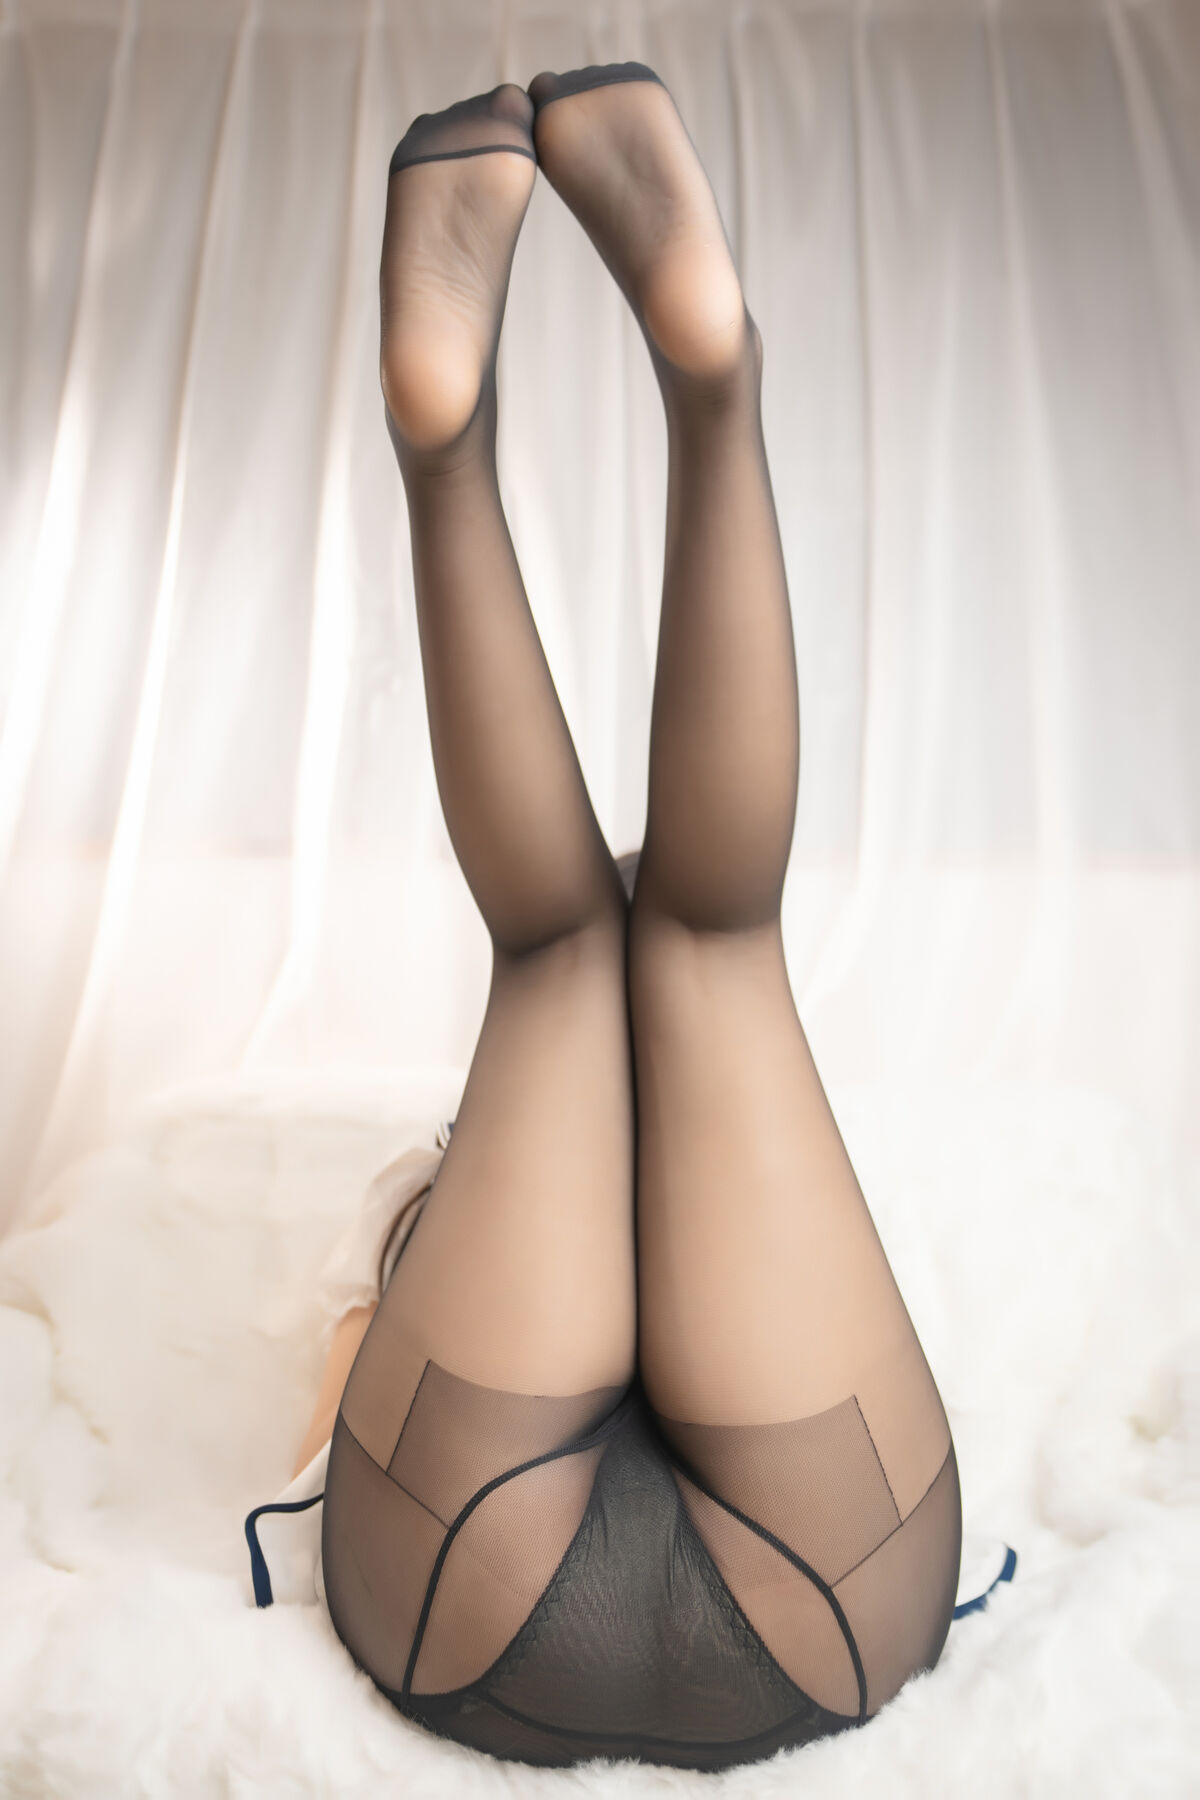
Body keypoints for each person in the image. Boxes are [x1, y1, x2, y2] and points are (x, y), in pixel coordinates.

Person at [309, 63, 962, 1771]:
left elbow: (336, 1394)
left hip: (468, 1572)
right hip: (824, 1581)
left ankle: (456, 449)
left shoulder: (435, 1211)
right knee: (665, 949)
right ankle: (702, 385)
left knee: (608, 949)